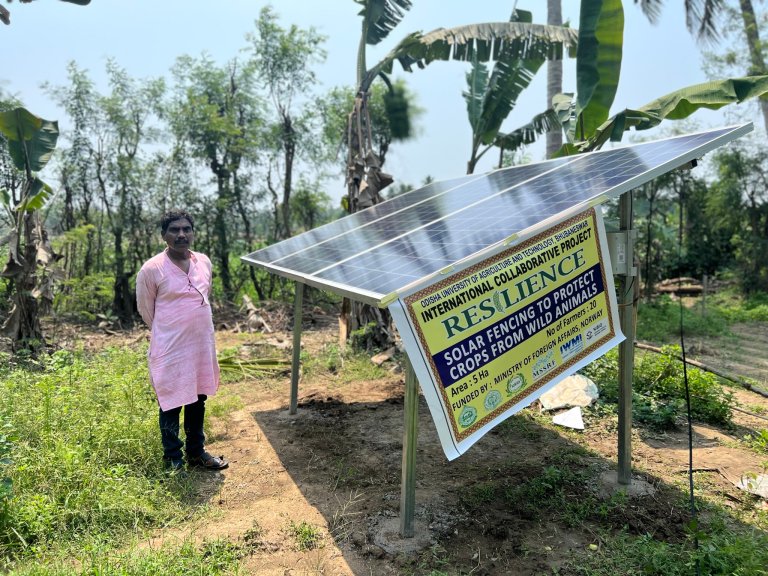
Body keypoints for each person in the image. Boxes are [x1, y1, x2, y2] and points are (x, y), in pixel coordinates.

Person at [136, 210, 229, 472]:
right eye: (174, 230)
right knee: (171, 401)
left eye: (186, 229)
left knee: (197, 399)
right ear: (164, 235)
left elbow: (204, 294)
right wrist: (172, 330)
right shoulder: (152, 269)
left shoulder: (203, 262)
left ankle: (196, 453)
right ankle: (173, 460)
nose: (181, 234)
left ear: (193, 232)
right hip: (170, 348)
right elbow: (146, 310)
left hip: (200, 346)